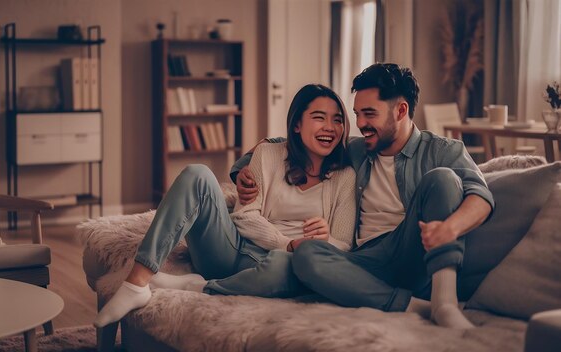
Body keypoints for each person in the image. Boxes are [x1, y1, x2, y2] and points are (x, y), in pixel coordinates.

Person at [233, 63, 494, 329]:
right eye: (357, 114)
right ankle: (412, 306)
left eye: (369, 114)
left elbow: (481, 197)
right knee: (307, 253)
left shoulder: (442, 150)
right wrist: (240, 171)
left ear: (401, 110)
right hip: (362, 260)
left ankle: (445, 303)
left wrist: (451, 227)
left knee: (443, 178)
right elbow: (287, 143)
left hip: (411, 248)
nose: (359, 124)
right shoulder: (356, 149)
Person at [94, 84, 357, 328]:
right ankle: (136, 283)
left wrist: (323, 241)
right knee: (197, 173)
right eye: (320, 117)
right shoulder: (268, 154)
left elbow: (344, 244)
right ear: (297, 124)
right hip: (233, 248)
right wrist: (285, 243)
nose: (330, 127)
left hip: (281, 265)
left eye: (337, 120)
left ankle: (201, 286)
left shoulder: (345, 176)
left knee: (285, 267)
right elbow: (244, 217)